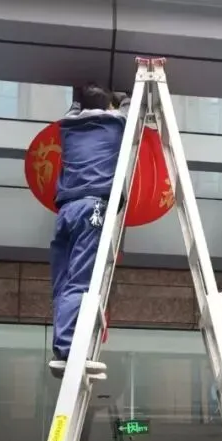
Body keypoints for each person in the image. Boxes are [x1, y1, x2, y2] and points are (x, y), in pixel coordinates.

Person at [48, 82, 131, 381]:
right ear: (108, 106)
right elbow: (128, 108)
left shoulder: (68, 128)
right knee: (81, 281)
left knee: (63, 283)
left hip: (67, 211)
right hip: (92, 209)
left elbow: (74, 108)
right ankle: (71, 351)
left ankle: (62, 348)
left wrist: (91, 95)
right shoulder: (115, 126)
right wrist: (121, 97)